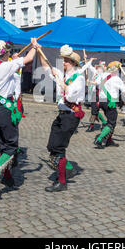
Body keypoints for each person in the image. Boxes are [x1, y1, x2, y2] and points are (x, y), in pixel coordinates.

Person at [0, 40, 39, 195]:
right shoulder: (6, 66)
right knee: (12, 146)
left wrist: (12, 60)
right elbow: (28, 59)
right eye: (7, 51)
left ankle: (7, 178)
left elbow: (10, 64)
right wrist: (34, 46)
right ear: (5, 53)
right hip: (4, 110)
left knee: (4, 146)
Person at [37, 45, 86, 192]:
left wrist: (62, 85)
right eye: (63, 60)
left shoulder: (79, 78)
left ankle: (62, 182)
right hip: (61, 114)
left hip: (71, 116)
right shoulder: (62, 74)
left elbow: (71, 95)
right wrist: (38, 49)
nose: (63, 62)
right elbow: (46, 66)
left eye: (66, 61)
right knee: (51, 146)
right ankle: (68, 169)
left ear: (73, 63)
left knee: (59, 148)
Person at [94, 61, 125, 149]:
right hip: (110, 102)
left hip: (101, 101)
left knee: (111, 122)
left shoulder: (102, 75)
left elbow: (95, 84)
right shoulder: (116, 79)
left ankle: (109, 140)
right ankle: (99, 139)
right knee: (111, 123)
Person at [84, 59, 107, 132]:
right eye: (98, 67)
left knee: (102, 110)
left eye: (100, 68)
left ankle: (105, 122)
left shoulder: (102, 76)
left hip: (101, 95)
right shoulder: (96, 72)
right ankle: (92, 125)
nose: (98, 69)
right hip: (94, 94)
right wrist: (87, 60)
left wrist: (89, 82)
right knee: (94, 110)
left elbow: (96, 83)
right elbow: (89, 66)